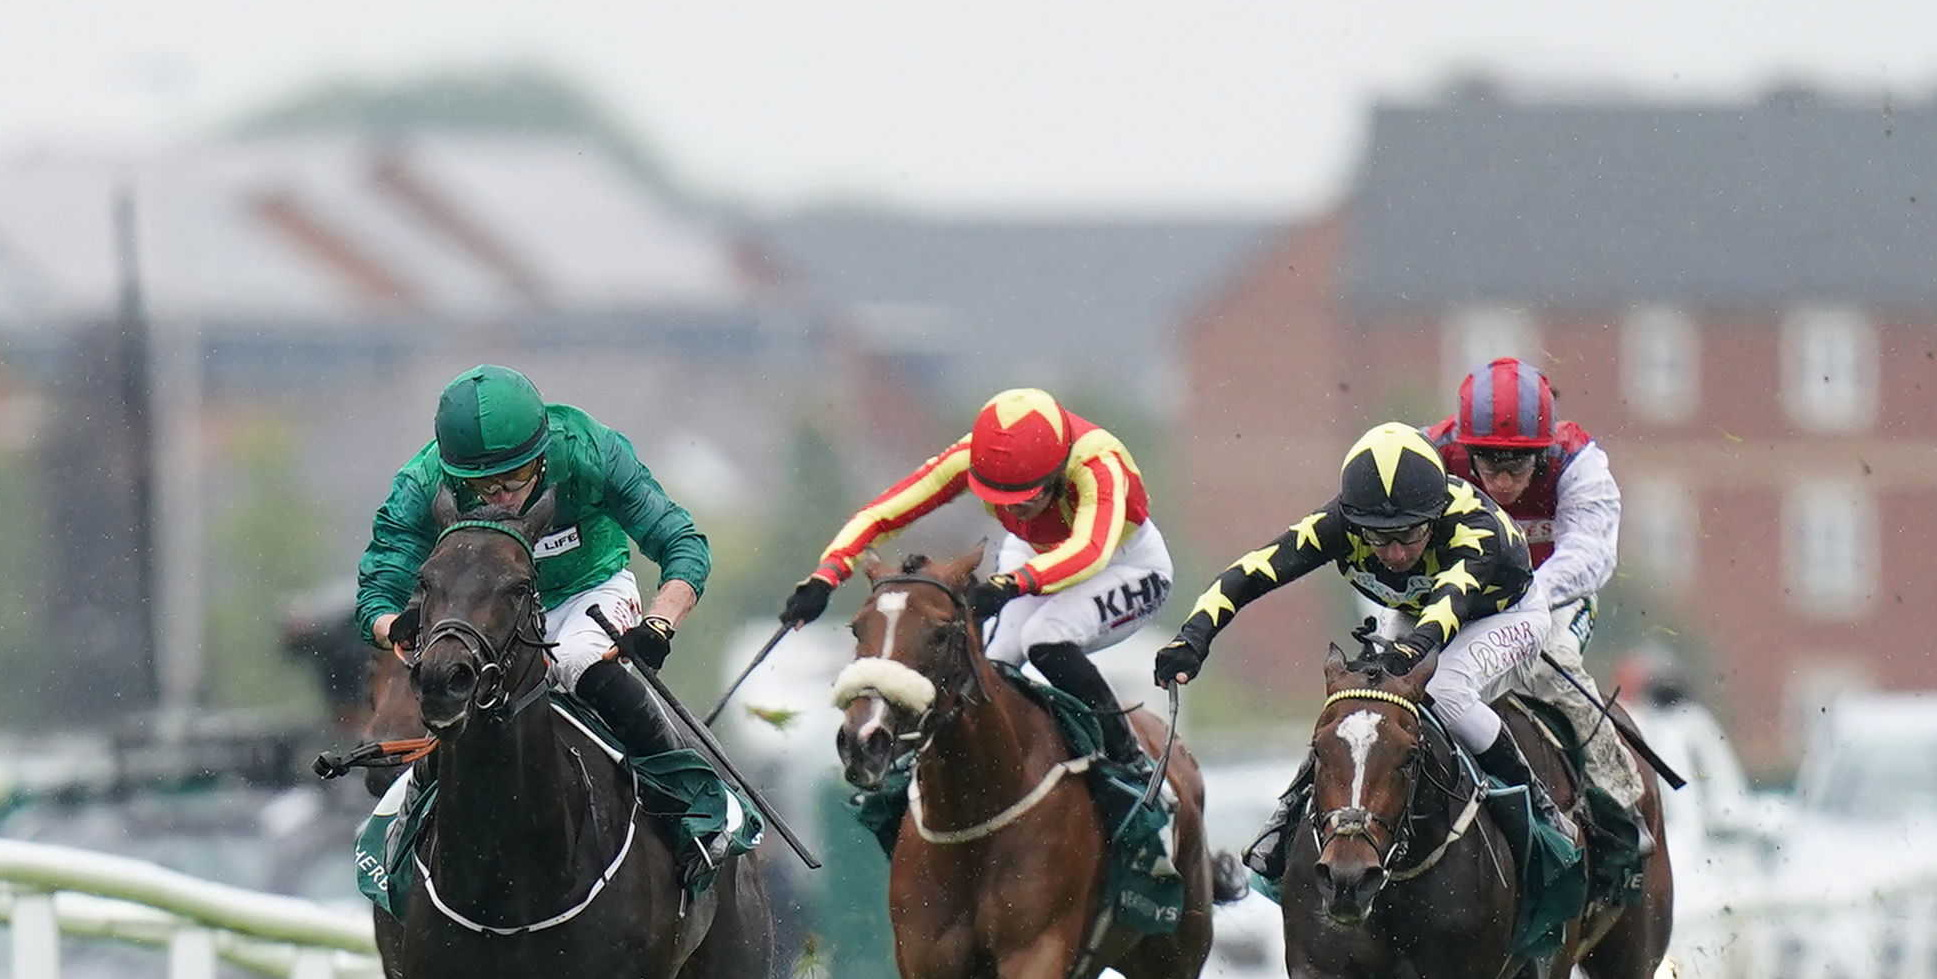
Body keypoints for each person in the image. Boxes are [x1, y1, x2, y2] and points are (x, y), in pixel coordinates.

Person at [1153, 422, 1572, 880]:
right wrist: (1194, 635)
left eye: (1410, 534)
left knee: (1443, 690)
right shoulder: (1337, 525)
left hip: (1503, 614)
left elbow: (1449, 607)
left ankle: (1538, 804)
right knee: (1355, 705)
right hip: (1419, 613)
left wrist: (1406, 655)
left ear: (1435, 517)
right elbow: (1251, 572)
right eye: (1378, 537)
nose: (1395, 553)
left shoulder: (1474, 529)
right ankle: (1289, 813)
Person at [776, 387, 1172, 767]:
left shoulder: (1099, 465)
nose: (1013, 511)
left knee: (1044, 639)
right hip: (1034, 555)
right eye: (1000, 498)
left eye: (1026, 497)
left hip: (1124, 564)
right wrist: (827, 575)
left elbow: (1090, 550)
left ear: (1057, 472)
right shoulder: (971, 456)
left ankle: (1129, 758)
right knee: (989, 672)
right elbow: (882, 514)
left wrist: (1013, 583)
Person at [354, 364, 708, 759]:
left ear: (541, 455)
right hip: (485, 615)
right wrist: (394, 627)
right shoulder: (422, 483)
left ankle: (682, 783)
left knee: (578, 659)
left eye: (517, 475)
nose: (503, 495)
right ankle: (407, 800)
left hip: (586, 593)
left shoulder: (587, 451)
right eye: (484, 485)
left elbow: (682, 543)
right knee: (440, 685)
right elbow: (377, 596)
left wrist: (658, 625)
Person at [1426, 356, 1652, 861]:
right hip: (1458, 598)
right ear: (1465, 449)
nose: (1503, 482)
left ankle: (1619, 807)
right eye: (1489, 463)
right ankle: (1295, 815)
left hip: (1556, 600)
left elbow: (1591, 554)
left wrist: (1522, 599)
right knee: (1378, 683)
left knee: (1555, 670)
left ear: (1545, 452)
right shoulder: (1429, 456)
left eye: (1519, 464)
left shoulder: (1580, 463)